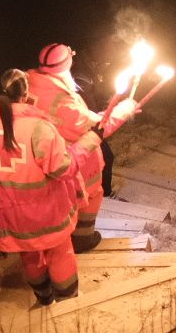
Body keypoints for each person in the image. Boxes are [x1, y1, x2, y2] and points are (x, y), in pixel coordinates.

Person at [0, 70, 83, 304]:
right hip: (48, 212)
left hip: (10, 216)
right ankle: (68, 301)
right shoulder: (39, 127)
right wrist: (79, 152)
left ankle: (43, 297)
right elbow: (62, 169)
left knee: (29, 256)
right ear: (26, 93)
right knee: (60, 254)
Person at [29, 43, 137, 251]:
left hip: (37, 155)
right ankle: (81, 239)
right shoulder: (62, 100)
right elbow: (98, 127)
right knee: (89, 195)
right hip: (70, 157)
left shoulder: (29, 81)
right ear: (67, 63)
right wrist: (124, 110)